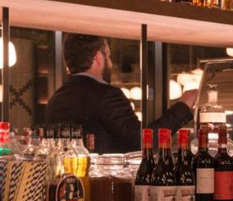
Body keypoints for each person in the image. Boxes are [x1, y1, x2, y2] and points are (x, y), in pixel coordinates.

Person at [46, 34, 198, 153]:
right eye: (109, 56)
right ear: (99, 57)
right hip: (106, 186)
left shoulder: (56, 99)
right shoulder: (107, 95)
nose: (110, 63)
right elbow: (144, 140)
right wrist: (184, 105)